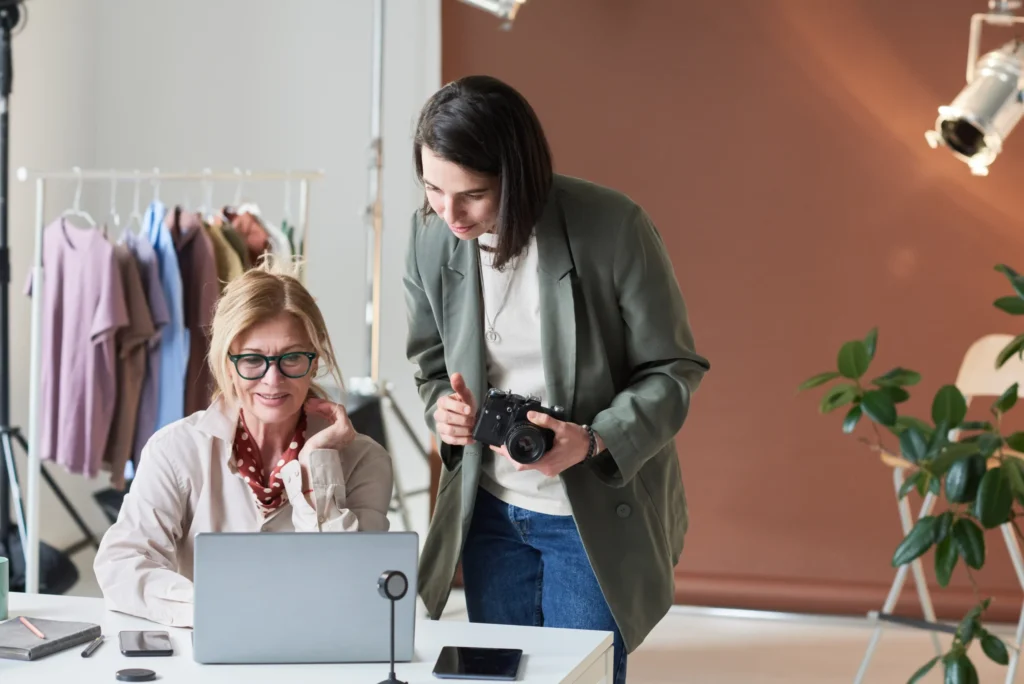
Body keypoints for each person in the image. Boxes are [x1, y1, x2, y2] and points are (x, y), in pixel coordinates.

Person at [405, 74, 711, 684]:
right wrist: (444, 407)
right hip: (488, 511)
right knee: (498, 679)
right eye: (433, 188)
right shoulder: (431, 236)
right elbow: (432, 364)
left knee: (580, 677)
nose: (449, 212)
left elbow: (674, 369)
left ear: (517, 177)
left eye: (471, 194)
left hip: (590, 511)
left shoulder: (613, 226)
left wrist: (592, 439)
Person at [94, 258, 394, 627]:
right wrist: (215, 607)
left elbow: (357, 586)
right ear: (227, 362)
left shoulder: (365, 460)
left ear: (314, 363)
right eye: (252, 360)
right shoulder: (176, 450)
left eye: (292, 358)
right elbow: (121, 565)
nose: (273, 379)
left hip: (321, 650)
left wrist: (318, 467)